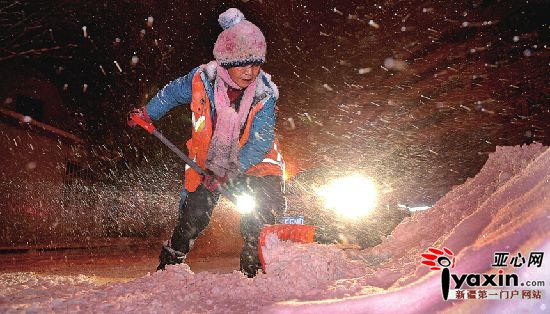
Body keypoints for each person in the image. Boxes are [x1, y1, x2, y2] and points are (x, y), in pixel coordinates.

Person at [128, 8, 285, 277]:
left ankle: (255, 271)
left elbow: (261, 142)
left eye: (256, 64)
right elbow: (170, 94)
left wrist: (228, 173)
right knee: (194, 212)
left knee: (258, 215)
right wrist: (147, 114)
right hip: (208, 163)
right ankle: (170, 267)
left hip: (255, 166)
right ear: (225, 62)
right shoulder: (202, 79)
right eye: (243, 64)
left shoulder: (264, 95)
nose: (250, 72)